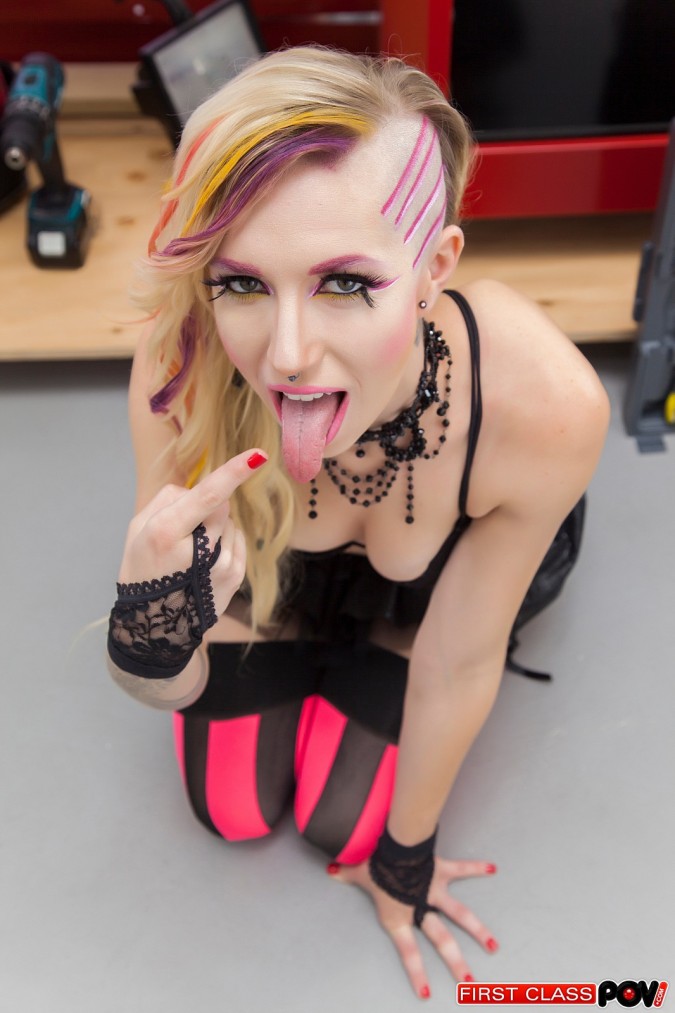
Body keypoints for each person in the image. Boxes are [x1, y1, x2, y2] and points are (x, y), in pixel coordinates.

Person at [106, 46, 609, 998]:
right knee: (231, 807)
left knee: (350, 829)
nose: (288, 356)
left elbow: (459, 661)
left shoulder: (544, 403)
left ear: (431, 268)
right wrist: (147, 630)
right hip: (278, 575)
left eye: (344, 283)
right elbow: (161, 682)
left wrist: (405, 863)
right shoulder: (183, 366)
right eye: (242, 283)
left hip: (431, 597)